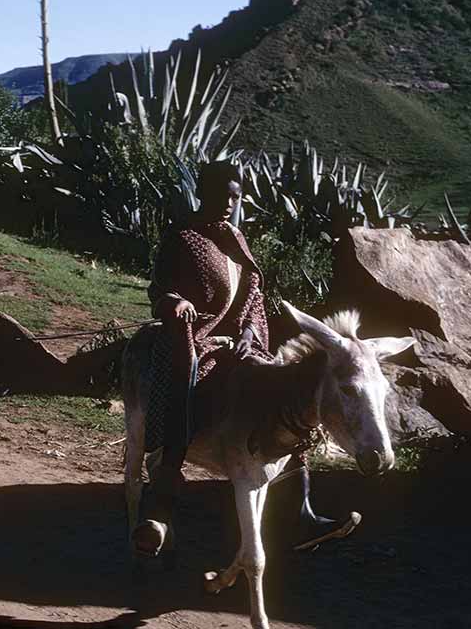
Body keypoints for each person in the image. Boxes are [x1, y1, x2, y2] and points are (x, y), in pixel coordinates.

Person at [132, 160, 359, 557]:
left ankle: (301, 513)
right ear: (204, 193)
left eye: (235, 196)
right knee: (185, 392)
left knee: (285, 394)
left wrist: (251, 333)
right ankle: (160, 506)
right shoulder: (182, 238)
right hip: (194, 338)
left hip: (241, 344)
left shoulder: (237, 238)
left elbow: (253, 296)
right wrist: (177, 302)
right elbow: (160, 289)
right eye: (221, 195)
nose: (228, 203)